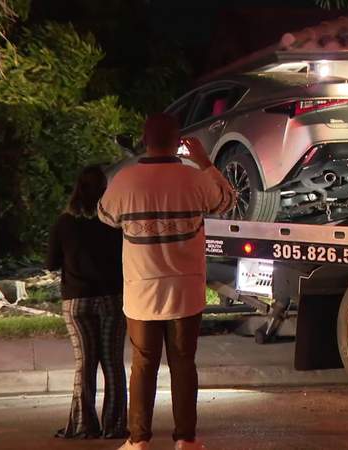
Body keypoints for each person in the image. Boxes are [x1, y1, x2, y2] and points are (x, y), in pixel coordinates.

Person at [98, 114, 235, 450]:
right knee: (183, 364)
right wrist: (205, 162)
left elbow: (105, 215)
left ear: (144, 141)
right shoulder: (193, 179)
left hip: (142, 291)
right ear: (179, 143)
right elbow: (227, 200)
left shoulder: (125, 180)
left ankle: (139, 440)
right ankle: (185, 439)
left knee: (144, 364)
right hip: (185, 292)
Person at [46, 164, 127, 440]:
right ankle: (115, 426)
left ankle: (83, 425)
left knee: (85, 363)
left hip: (77, 302)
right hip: (112, 299)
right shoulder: (114, 222)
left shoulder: (64, 223)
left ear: (77, 189)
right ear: (105, 190)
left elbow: (51, 262)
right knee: (113, 364)